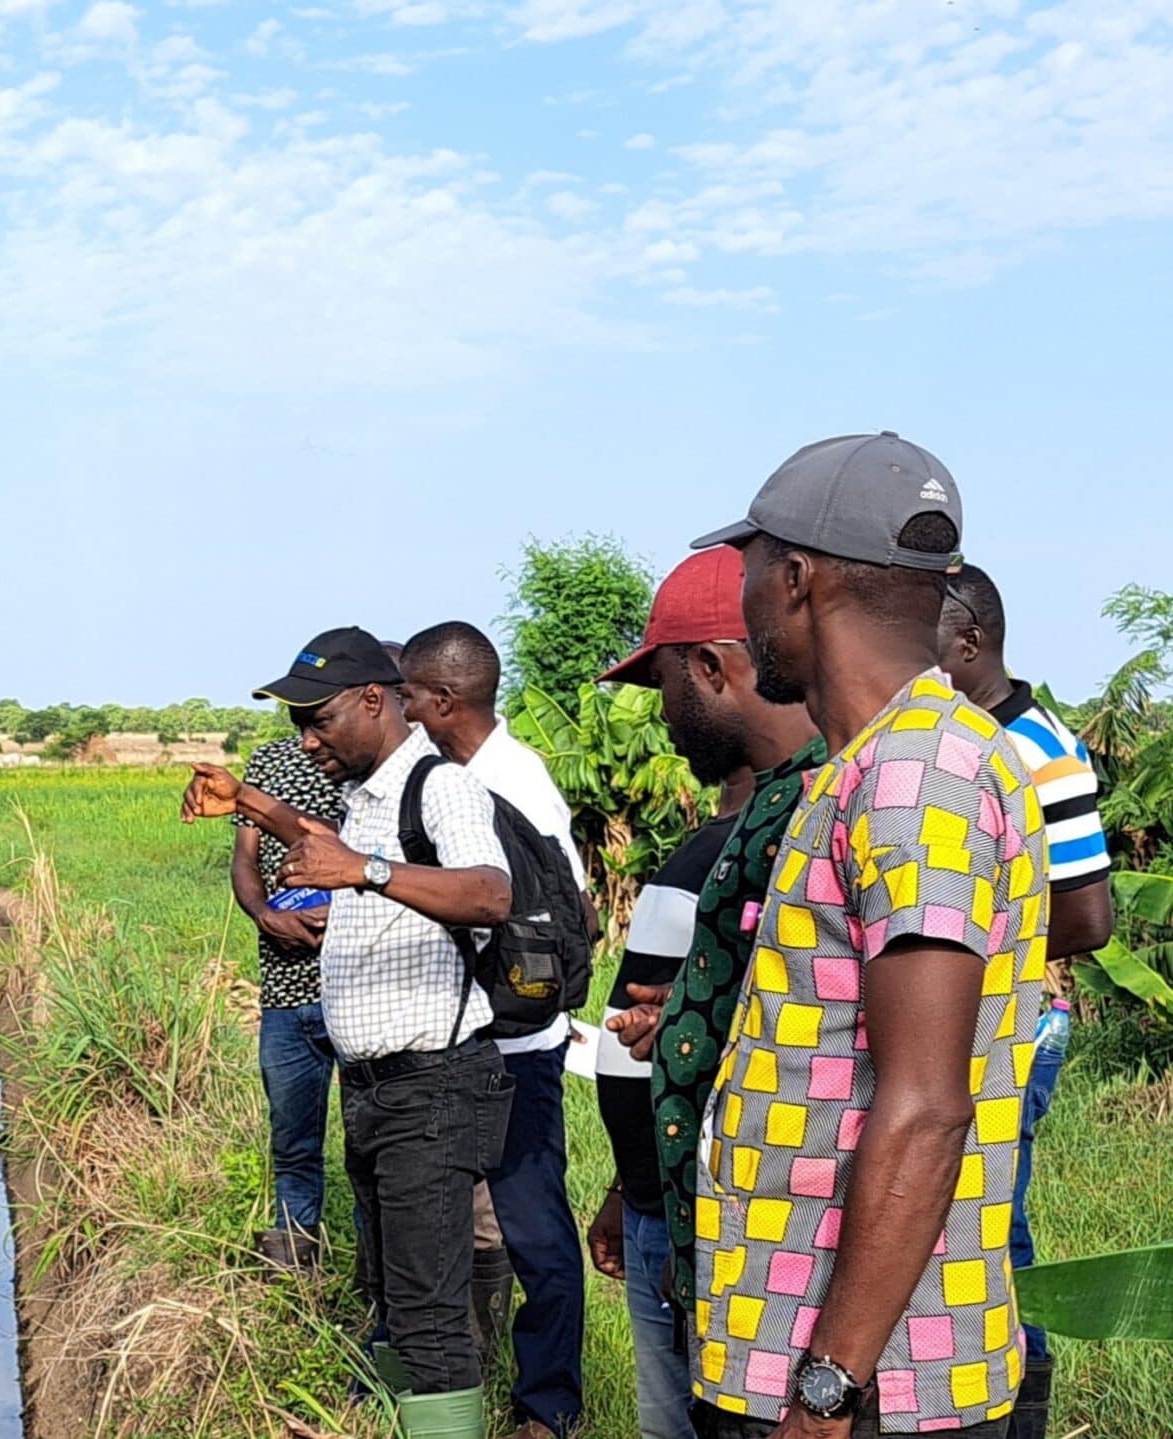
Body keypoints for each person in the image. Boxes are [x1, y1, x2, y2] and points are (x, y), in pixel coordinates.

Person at [687, 433, 1042, 1438]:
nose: (744, 598)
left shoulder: (914, 777)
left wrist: (824, 1386)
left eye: (748, 568)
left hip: (864, 1388)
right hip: (830, 1366)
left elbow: (926, 1107)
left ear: (796, 578)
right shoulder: (879, 762)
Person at [182, 627, 514, 1439]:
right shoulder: (370, 797)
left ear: (375, 699)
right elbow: (322, 847)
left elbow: (488, 893)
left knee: (431, 1315)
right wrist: (249, 800)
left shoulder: (441, 788)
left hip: (431, 1087)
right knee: (396, 1295)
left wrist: (362, 871)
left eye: (319, 718)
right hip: (376, 1092)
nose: (308, 738)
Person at [587, 549, 820, 1439]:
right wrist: (631, 1181)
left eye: (666, 686)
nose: (665, 718)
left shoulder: (813, 817)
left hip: (749, 1233)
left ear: (715, 668)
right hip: (666, 1204)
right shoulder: (743, 825)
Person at [936, 563, 1114, 1439]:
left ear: (969, 641)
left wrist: (962, 955)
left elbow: (1089, 914)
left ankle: (1021, 1410)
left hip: (1017, 1019)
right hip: (967, 1012)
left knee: (993, 1224)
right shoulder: (956, 740)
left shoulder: (1038, 749)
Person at [401, 621, 589, 1439]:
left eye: (409, 693)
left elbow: (571, 911)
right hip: (472, 1040)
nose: (402, 707)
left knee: (534, 1223)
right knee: (467, 1223)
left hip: (517, 1048)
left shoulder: (509, 780)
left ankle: (550, 1406)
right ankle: (468, 1381)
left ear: (442, 700)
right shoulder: (458, 771)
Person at [225, 723, 345, 1273]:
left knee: (374, 1150)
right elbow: (245, 857)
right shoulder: (269, 760)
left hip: (358, 988)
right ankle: (294, 1272)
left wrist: (340, 917)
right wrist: (265, 913)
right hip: (285, 987)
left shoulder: (381, 771)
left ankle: (377, 1282)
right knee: (292, 1141)